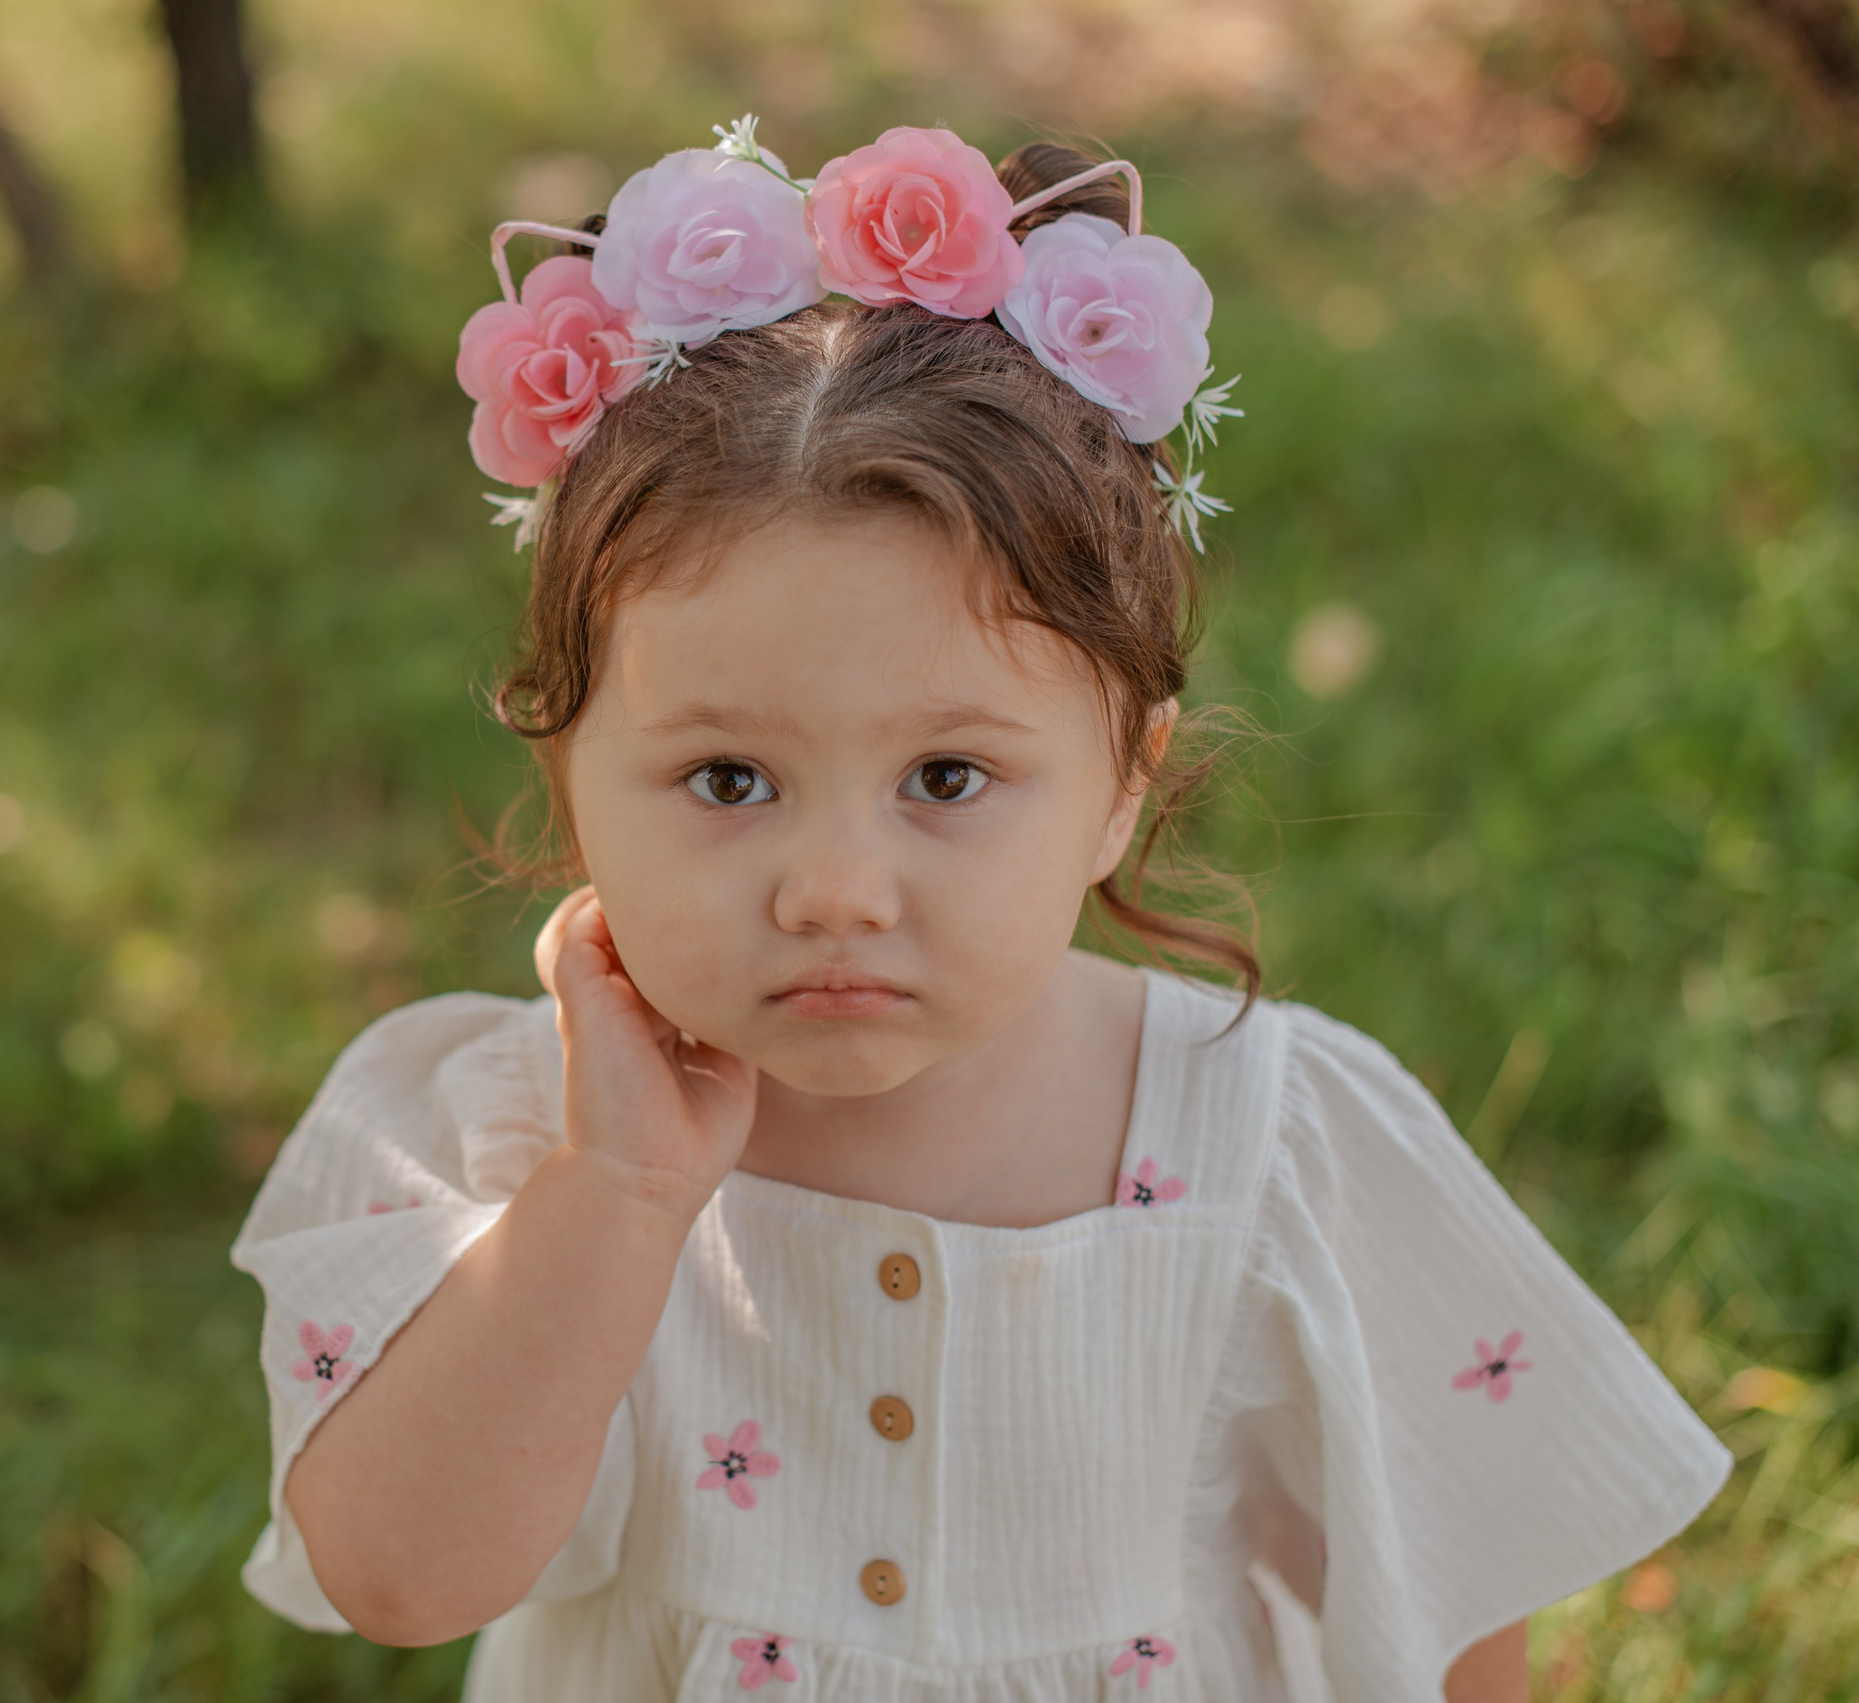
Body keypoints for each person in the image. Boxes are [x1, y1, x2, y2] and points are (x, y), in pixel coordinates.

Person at [230, 119, 1730, 1702]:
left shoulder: (1267, 1138)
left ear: (1122, 785)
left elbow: (1449, 1584)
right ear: (568, 772)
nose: (835, 893)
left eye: (947, 780)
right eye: (728, 780)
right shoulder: (501, 1139)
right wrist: (612, 1196)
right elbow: (395, 1577)